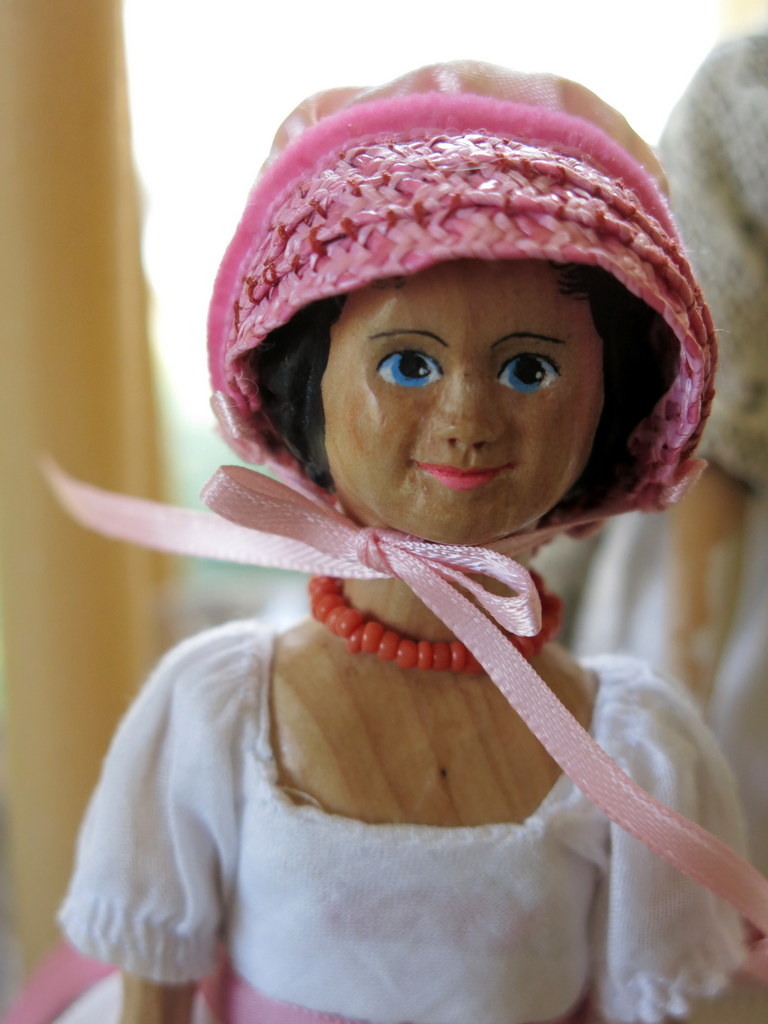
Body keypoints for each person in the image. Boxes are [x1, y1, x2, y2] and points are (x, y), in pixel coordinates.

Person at [3, 61, 760, 1024]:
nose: (466, 419)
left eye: (530, 370)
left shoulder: (626, 745)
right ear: (308, 381)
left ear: (608, 406)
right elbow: (157, 996)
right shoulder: (221, 710)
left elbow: (643, 1005)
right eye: (407, 363)